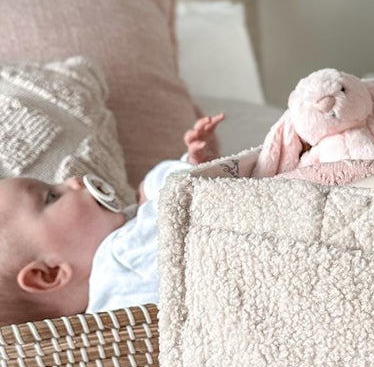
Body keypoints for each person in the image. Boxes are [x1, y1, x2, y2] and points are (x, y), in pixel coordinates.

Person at [0, 113, 224, 326]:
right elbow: (179, 199)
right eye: (52, 196)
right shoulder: (120, 255)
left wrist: (196, 162)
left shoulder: (108, 318)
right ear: (50, 273)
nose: (72, 180)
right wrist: (183, 172)